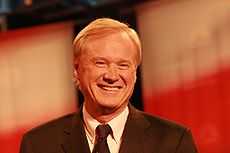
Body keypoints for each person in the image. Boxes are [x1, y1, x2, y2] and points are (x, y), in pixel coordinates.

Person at [19, 18, 198, 153]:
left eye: (123, 65)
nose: (112, 76)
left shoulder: (173, 142)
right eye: (100, 63)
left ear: (135, 74)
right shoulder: (38, 144)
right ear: (76, 70)